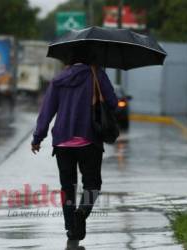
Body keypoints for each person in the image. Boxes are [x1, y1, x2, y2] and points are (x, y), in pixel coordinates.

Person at [31, 63, 118, 242]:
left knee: (67, 188)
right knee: (92, 185)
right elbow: (113, 103)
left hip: (62, 142)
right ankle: (82, 212)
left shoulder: (58, 80)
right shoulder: (97, 74)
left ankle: (71, 228)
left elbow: (46, 111)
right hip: (89, 140)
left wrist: (38, 138)